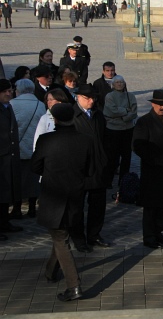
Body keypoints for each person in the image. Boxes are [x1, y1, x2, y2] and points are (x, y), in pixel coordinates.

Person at [31, 103, 93, 302]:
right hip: (75, 194)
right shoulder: (85, 140)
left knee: (60, 238)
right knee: (61, 234)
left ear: (55, 119)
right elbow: (90, 170)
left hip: (53, 195)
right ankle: (50, 272)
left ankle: (73, 286)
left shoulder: (46, 140)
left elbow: (35, 166)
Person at [132, 90, 163, 249]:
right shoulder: (144, 122)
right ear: (153, 104)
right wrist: (154, 158)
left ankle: (158, 232)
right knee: (151, 206)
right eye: (159, 104)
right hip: (152, 170)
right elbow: (138, 146)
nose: (162, 107)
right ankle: (149, 236)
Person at [71, 84, 111, 252]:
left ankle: (94, 235)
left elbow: (105, 138)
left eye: (93, 98)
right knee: (77, 207)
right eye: (87, 98)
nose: (91, 101)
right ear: (78, 97)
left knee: (98, 204)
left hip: (98, 166)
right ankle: (79, 238)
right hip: (79, 168)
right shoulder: (72, 115)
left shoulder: (98, 115)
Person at [9, 79, 46, 219]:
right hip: (35, 147)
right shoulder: (40, 104)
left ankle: (17, 208)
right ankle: (32, 208)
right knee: (33, 180)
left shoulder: (13, 104)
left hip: (17, 147)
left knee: (17, 179)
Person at [0, 79, 24, 241]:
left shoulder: (8, 107)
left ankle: (4, 222)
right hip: (1, 157)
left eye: (10, 91)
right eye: (6, 92)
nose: (9, 94)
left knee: (6, 193)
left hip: (10, 156)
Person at [103, 75, 137, 187]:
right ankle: (108, 180)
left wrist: (123, 116)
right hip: (113, 130)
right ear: (113, 84)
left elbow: (134, 112)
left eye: (121, 82)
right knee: (113, 157)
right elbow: (111, 111)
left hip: (127, 130)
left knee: (126, 157)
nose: (119, 84)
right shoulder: (109, 96)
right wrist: (126, 111)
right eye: (117, 82)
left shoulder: (130, 96)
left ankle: (124, 181)